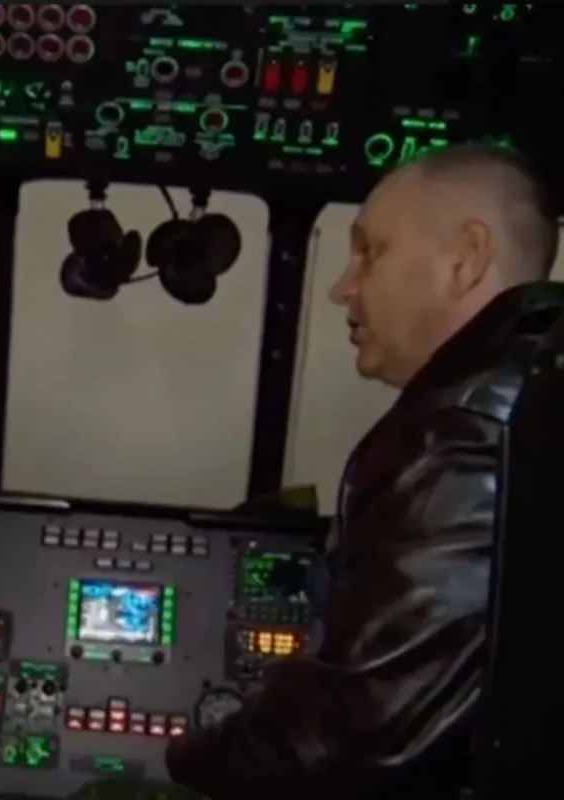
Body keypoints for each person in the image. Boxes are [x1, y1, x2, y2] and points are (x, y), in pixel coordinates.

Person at [165, 142, 563, 800]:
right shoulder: (527, 387)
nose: (342, 287)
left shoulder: (466, 436)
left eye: (370, 252)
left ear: (465, 257)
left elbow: (362, 733)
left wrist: (184, 760)